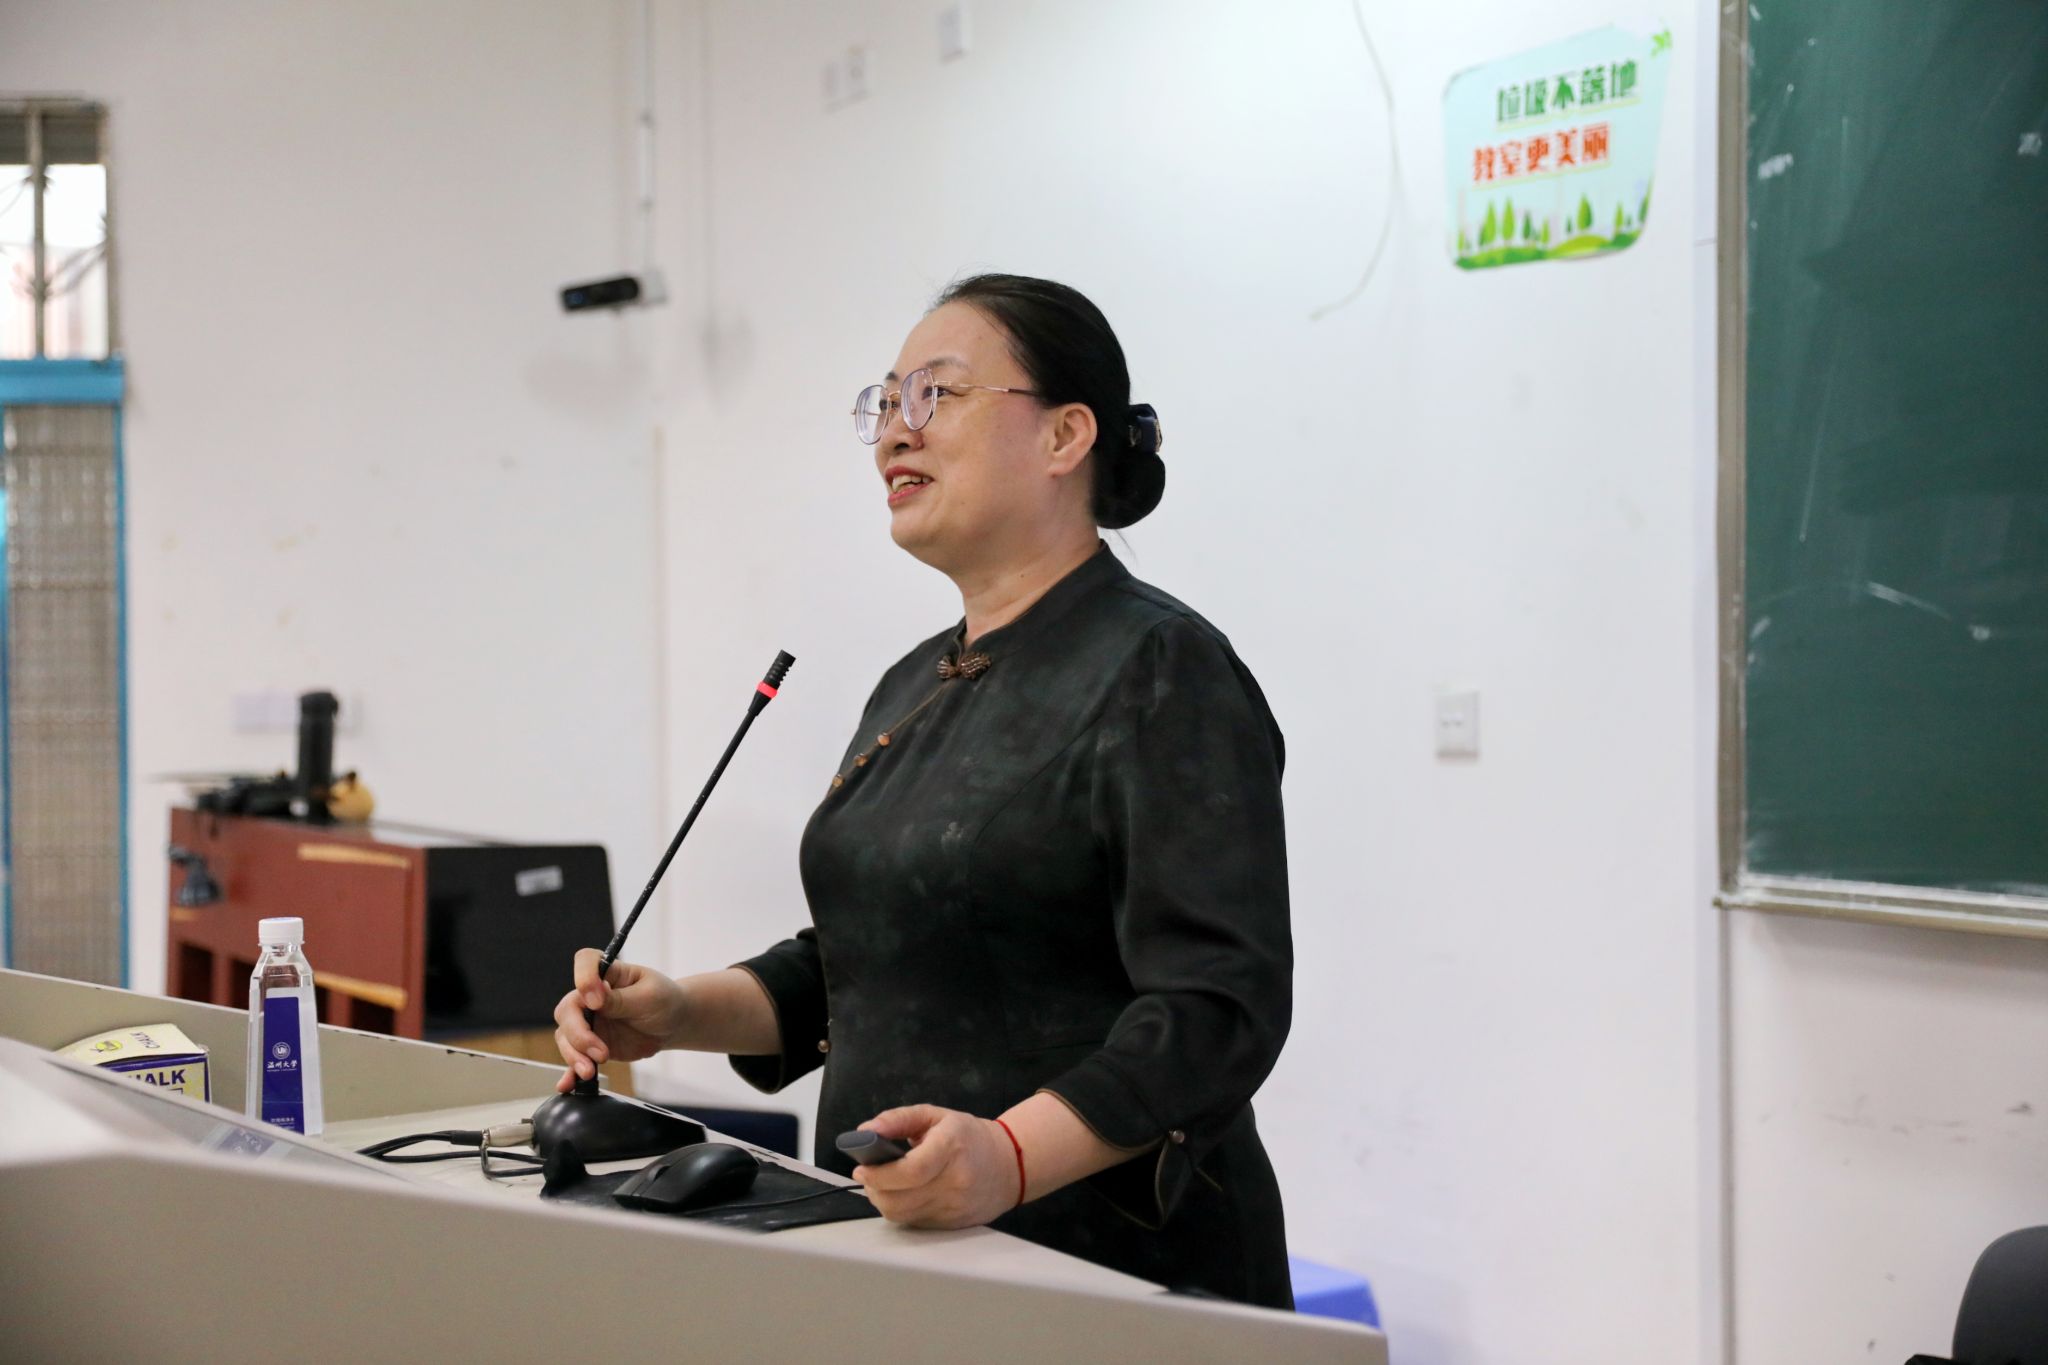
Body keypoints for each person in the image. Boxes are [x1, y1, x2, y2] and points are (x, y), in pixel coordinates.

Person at [553, 274, 1294, 1308]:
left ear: (1065, 435)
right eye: (885, 403)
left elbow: (1217, 1008)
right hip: (903, 1251)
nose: (893, 435)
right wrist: (679, 1012)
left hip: (1106, 1273)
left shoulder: (1162, 667)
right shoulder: (915, 679)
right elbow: (870, 957)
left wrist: (1008, 1157)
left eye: (934, 396)